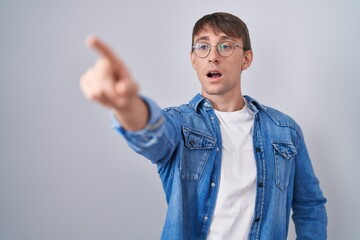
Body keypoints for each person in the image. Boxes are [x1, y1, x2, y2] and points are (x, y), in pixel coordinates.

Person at [80, 12, 327, 240]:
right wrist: (126, 105)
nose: (213, 55)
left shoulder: (285, 130)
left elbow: (310, 207)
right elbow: (150, 133)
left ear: (246, 59)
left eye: (225, 46)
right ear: (193, 59)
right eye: (203, 46)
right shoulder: (180, 124)